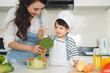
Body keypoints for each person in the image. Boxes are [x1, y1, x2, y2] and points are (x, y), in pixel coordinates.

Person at [3, 0, 48, 65]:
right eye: (35, 9)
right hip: (16, 61)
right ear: (26, 4)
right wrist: (31, 48)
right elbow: (9, 42)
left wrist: (42, 44)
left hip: (35, 62)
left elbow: (41, 38)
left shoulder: (44, 14)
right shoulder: (13, 12)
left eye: (42, 8)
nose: (38, 12)